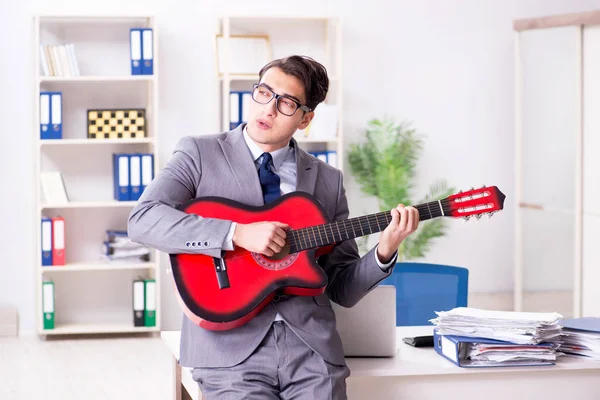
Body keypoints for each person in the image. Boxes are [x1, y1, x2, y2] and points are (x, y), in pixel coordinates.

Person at [127, 55, 419, 400]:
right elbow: (143, 219)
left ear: (306, 118)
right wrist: (235, 233)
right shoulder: (199, 153)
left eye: (287, 103)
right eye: (264, 93)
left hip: (311, 352)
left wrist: (384, 251)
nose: (268, 109)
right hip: (228, 351)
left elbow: (341, 286)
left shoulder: (326, 179)